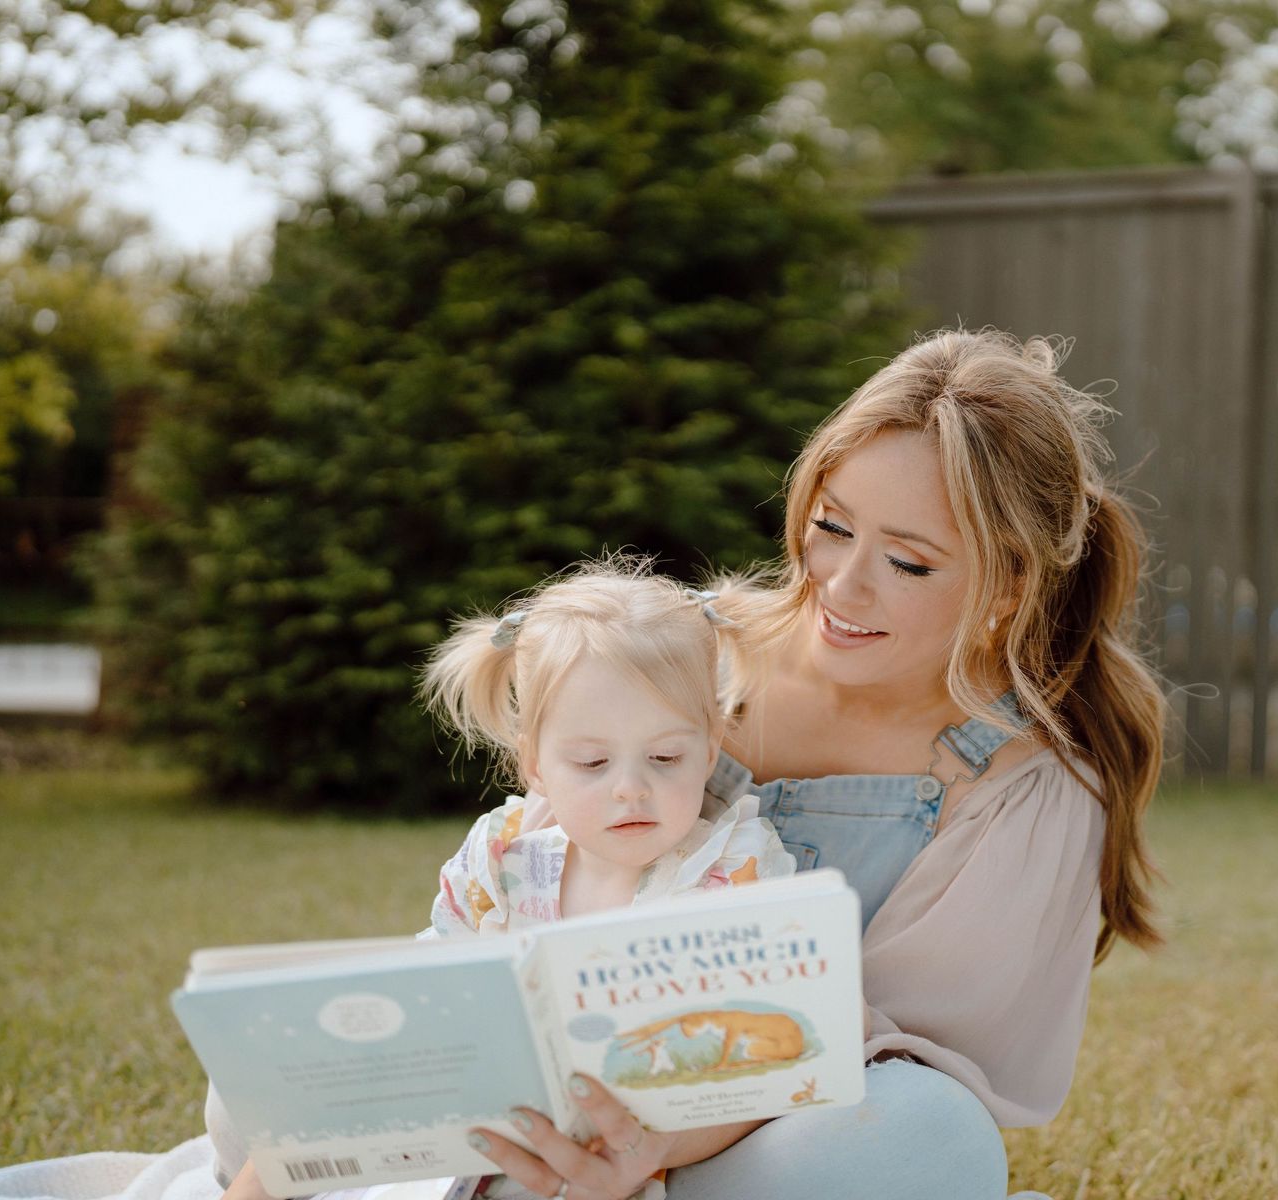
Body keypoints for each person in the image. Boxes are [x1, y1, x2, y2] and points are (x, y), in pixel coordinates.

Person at [467, 329, 1165, 1200]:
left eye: (908, 561)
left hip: (769, 1134)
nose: (839, 585)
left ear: (1011, 586)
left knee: (927, 1136)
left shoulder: (1025, 785)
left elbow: (886, 1066)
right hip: (568, 1090)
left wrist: (661, 1141)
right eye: (831, 527)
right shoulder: (686, 652)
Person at [207, 562, 797, 1200]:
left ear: (709, 750)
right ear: (535, 765)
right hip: (467, 1113)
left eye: (665, 758)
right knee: (251, 1101)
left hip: (607, 1161)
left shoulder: (732, 867)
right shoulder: (504, 853)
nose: (631, 787)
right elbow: (433, 977)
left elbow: (758, 1073)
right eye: (592, 762)